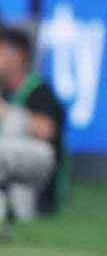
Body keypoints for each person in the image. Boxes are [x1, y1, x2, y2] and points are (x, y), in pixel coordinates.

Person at [0, 27, 66, 224]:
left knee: (15, 122)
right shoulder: (5, 91)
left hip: (38, 182)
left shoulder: (40, 91)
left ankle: (21, 212)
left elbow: (47, 130)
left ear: (19, 55)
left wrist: (7, 111)